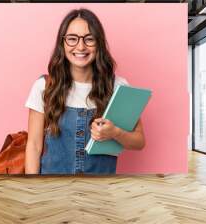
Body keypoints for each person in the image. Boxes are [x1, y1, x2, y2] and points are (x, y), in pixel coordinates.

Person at [24, 8, 145, 175]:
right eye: (72, 39)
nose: (80, 46)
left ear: (99, 43)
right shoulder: (44, 86)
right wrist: (32, 188)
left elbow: (139, 141)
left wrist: (115, 133)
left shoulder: (118, 87)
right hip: (52, 191)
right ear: (63, 43)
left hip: (99, 193)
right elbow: (34, 146)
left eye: (89, 39)